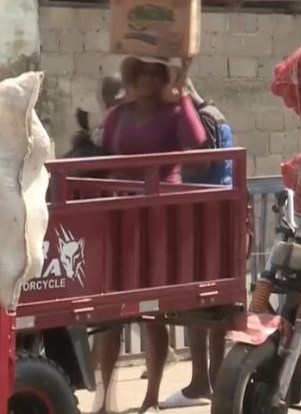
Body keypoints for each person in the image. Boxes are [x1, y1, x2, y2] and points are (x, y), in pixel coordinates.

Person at [94, 55, 207, 414]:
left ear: (163, 79)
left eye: (155, 73)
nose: (147, 79)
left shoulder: (174, 112)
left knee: (152, 312)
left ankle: (150, 398)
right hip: (119, 216)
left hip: (159, 219)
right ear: (131, 74)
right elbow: (103, 154)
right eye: (141, 72)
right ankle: (103, 399)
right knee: (108, 312)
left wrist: (182, 95)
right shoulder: (118, 114)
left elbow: (198, 147)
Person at [160, 79, 233, 409]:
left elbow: (200, 163)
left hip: (208, 220)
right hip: (210, 218)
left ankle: (209, 379)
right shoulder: (214, 114)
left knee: (206, 302)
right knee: (204, 303)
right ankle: (205, 380)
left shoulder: (203, 119)